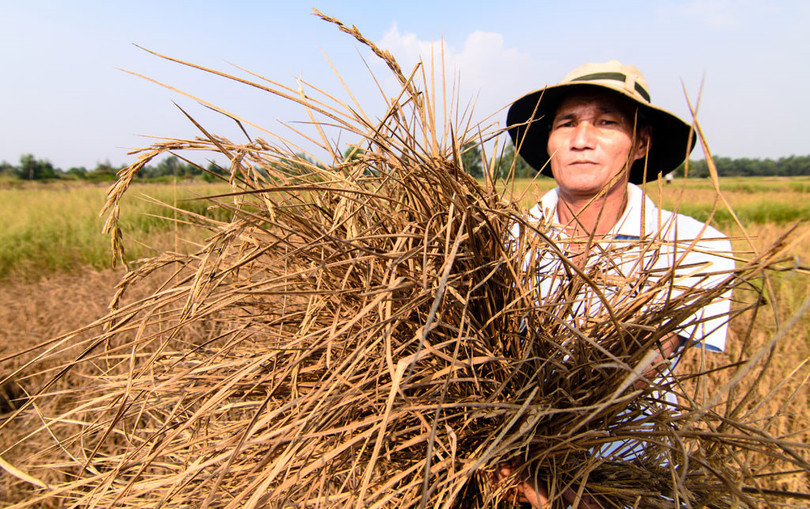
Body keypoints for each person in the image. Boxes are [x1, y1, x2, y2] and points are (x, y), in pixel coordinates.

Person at [497, 60, 735, 507]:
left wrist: (553, 478)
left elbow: (637, 370)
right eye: (567, 123)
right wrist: (509, 470)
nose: (582, 139)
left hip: (630, 479)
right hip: (506, 478)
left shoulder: (695, 246)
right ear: (548, 142)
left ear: (641, 143)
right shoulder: (502, 242)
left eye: (606, 122)